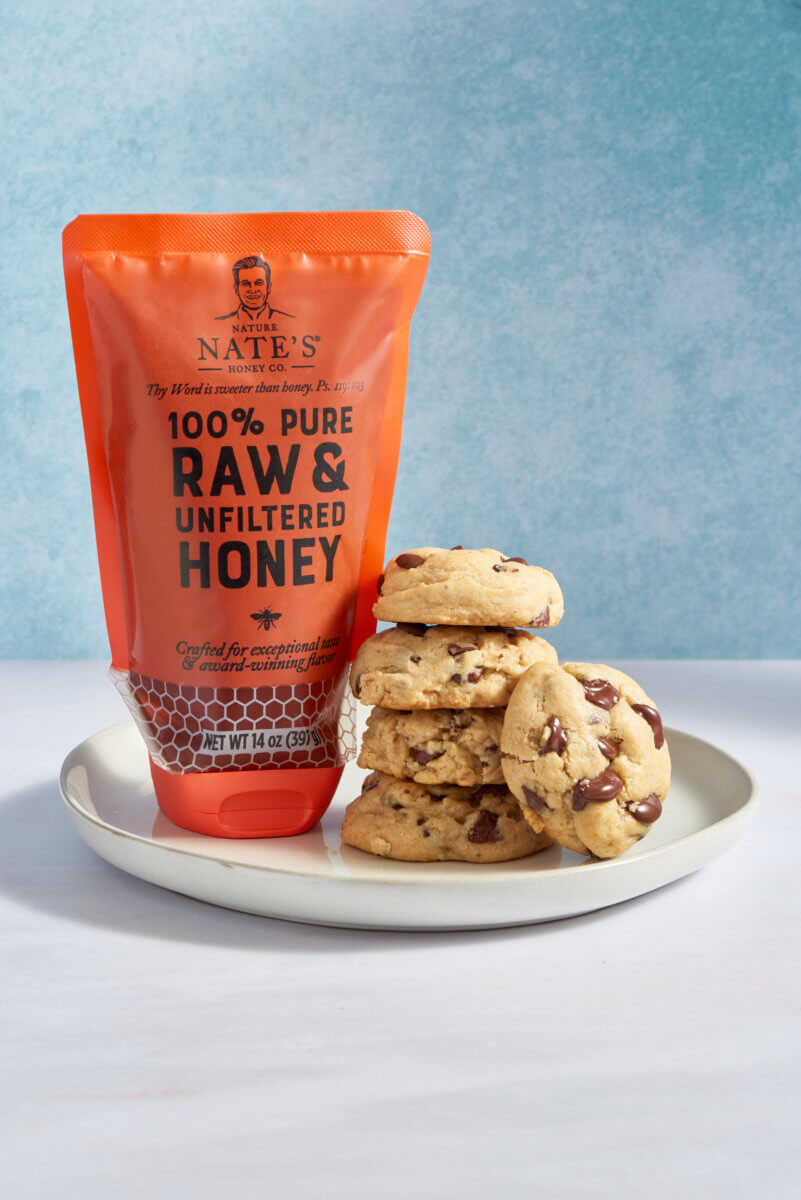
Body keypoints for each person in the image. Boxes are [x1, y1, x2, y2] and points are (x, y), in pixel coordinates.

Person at [217, 255, 294, 321]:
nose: (253, 290)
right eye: (246, 284)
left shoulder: (289, 321)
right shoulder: (220, 323)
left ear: (269, 287)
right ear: (236, 289)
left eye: (259, 283)